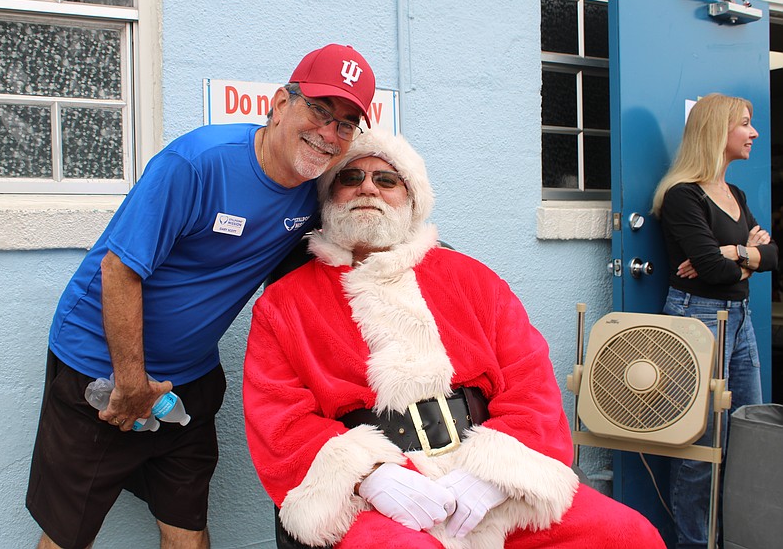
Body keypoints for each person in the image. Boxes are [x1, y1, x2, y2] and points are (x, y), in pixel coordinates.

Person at [25, 43, 376, 549]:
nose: (328, 133)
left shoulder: (314, 193)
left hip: (189, 380)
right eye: (319, 110)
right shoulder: (196, 163)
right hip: (100, 369)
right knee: (68, 533)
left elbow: (364, 229)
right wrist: (130, 383)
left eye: (345, 124)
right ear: (280, 103)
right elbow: (118, 269)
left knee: (187, 528)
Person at [243, 129, 666, 548]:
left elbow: (530, 383)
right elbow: (279, 419)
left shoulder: (473, 279)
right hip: (370, 500)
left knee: (628, 535)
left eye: (386, 179)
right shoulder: (283, 303)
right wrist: (368, 476)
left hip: (488, 478)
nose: (367, 187)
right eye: (350, 178)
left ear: (412, 200)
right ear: (328, 197)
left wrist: (496, 475)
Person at [651, 93, 778, 549]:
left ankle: (738, 538)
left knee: (749, 434)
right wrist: (745, 255)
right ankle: (695, 543)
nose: (754, 132)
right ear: (716, 132)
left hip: (739, 320)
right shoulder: (684, 197)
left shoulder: (736, 195)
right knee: (699, 447)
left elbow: (774, 255)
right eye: (745, 124)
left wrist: (731, 253)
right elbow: (715, 270)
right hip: (698, 320)